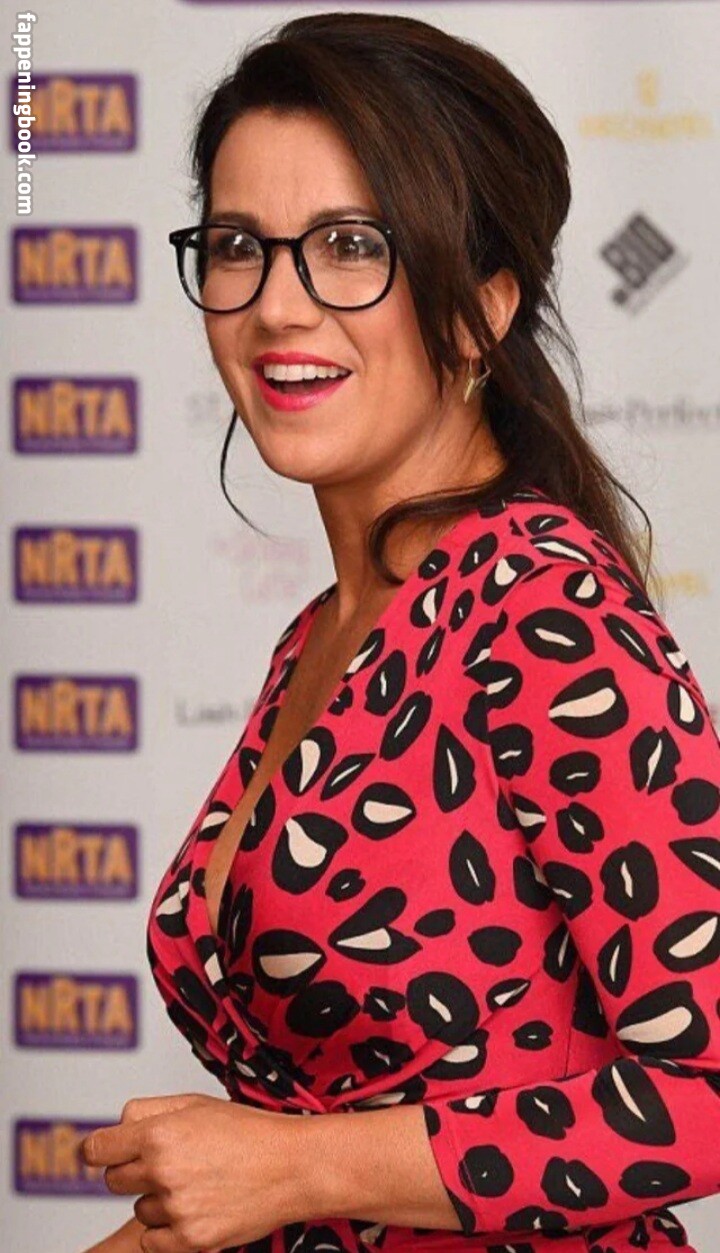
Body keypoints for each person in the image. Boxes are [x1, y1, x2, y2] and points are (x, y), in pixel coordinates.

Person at [79, 11, 720, 1253]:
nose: (278, 307)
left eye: (350, 246)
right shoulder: (330, 631)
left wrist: (292, 1165)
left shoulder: (539, 609)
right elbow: (296, 1138)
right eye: (238, 248)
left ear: (479, 307)